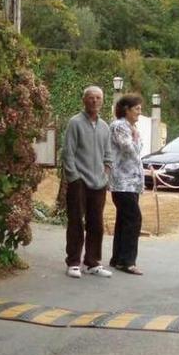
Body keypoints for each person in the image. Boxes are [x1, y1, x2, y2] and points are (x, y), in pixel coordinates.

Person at [62, 86, 113, 279]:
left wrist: (106, 175)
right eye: (91, 98)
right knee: (76, 221)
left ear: (102, 101)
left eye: (98, 98)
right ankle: (74, 262)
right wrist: (74, 178)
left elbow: (108, 155)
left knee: (96, 224)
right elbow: (68, 153)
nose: (95, 101)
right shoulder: (75, 123)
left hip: (99, 182)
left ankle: (93, 262)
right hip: (79, 181)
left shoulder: (105, 127)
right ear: (84, 100)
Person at [108, 94, 145, 275]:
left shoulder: (130, 127)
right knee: (134, 219)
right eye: (136, 108)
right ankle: (128, 261)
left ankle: (118, 259)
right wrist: (136, 138)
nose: (139, 112)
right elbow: (130, 150)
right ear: (126, 109)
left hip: (131, 182)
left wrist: (135, 135)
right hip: (123, 182)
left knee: (124, 219)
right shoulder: (120, 126)